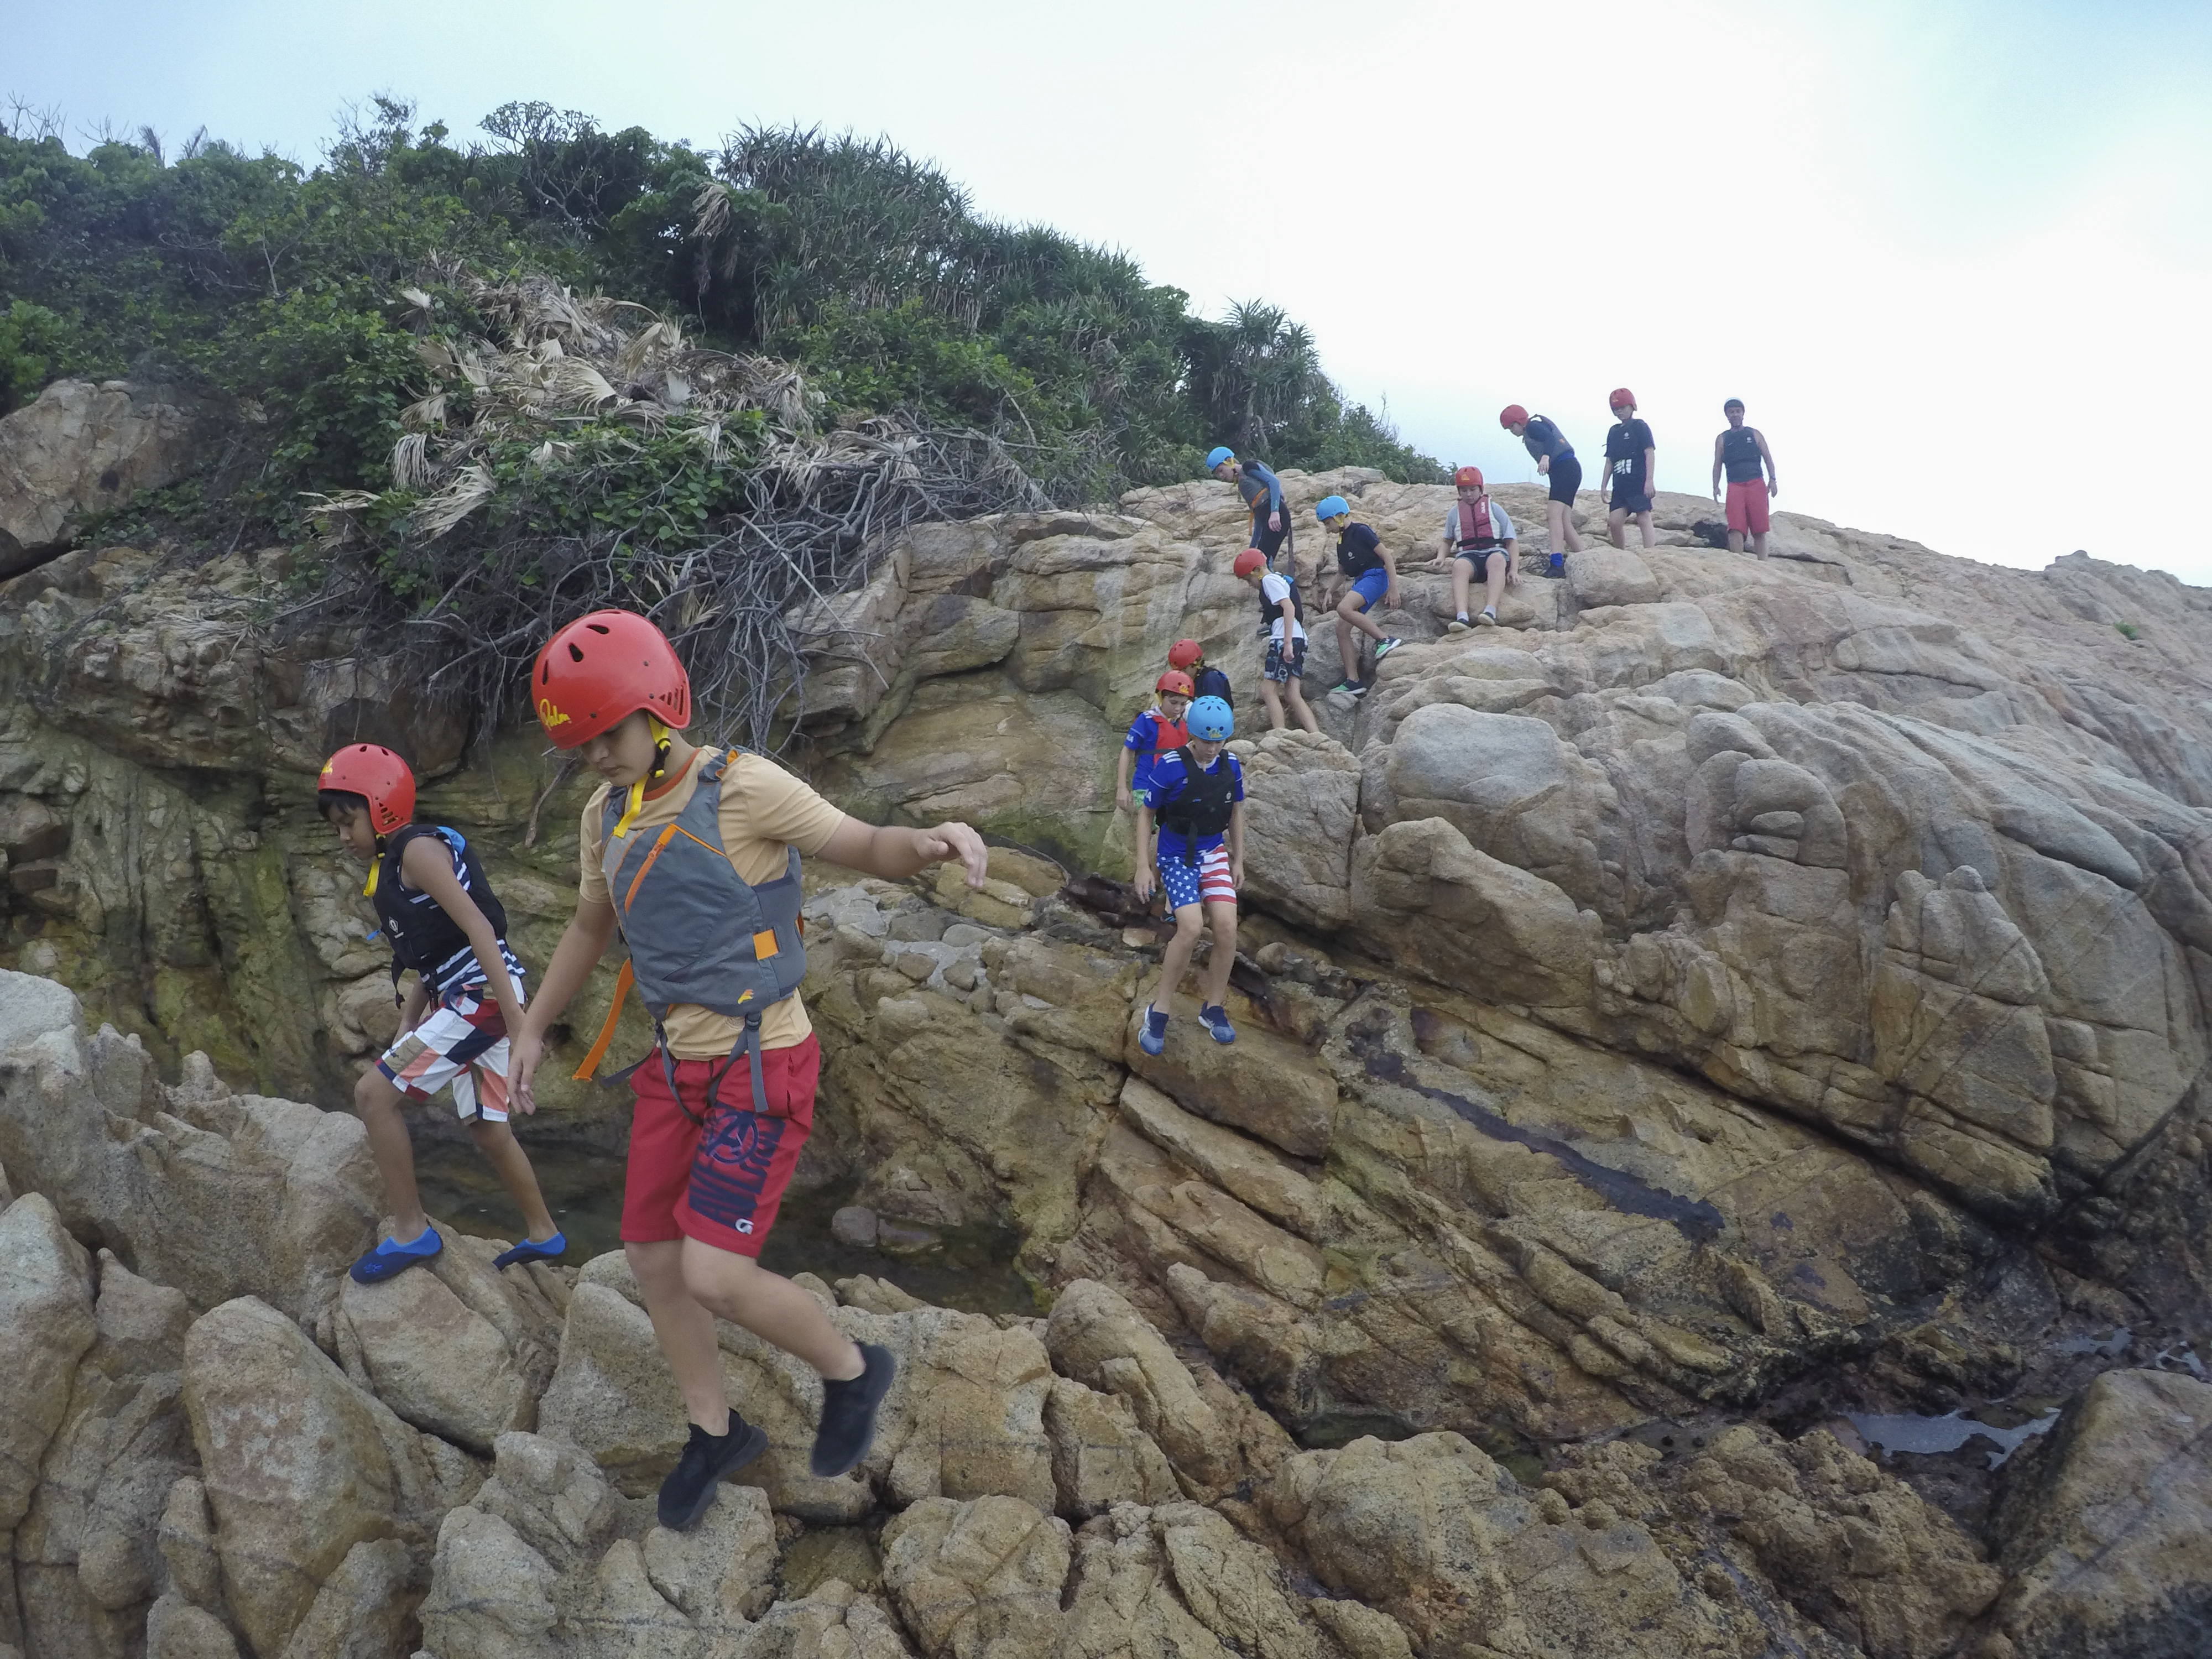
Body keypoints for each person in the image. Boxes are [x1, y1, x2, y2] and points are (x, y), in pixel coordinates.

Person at [508, 609, 989, 1531]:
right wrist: (532, 1029)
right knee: (652, 1256)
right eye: (580, 745)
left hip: (762, 1063)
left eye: (607, 735)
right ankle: (713, 1428)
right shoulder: (604, 815)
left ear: (657, 708)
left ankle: (853, 1370)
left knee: (718, 1275)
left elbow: (859, 843)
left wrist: (929, 841)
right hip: (674, 1070)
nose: (597, 756)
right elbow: (587, 927)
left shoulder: (744, 788)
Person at [318, 744, 566, 1284]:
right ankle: (544, 1233)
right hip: (470, 996)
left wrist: (522, 1026)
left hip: (483, 999)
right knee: (486, 1126)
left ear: (381, 806)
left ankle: (412, 1230)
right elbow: (433, 962)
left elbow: (479, 931)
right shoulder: (392, 866)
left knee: (371, 1096)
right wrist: (409, 1024)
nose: (343, 836)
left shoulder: (417, 852)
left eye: (348, 821)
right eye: (335, 826)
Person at [1131, 695, 1245, 1055]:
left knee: (1227, 927)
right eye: (1206, 740)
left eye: (1219, 740)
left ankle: (1213, 1007)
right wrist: (1142, 866)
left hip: (1212, 853)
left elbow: (1236, 813)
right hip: (1176, 856)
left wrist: (1238, 860)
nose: (1212, 748)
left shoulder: (1231, 765)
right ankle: (1159, 1009)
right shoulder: (1169, 766)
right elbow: (1146, 814)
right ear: (1192, 735)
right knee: (1192, 927)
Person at [1316, 493, 1403, 698]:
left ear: (1338, 517)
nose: (1327, 528)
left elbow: (1387, 557)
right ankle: (1353, 681)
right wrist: (1330, 591)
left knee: (1344, 609)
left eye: (1328, 523)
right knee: (1341, 628)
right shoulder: (1341, 541)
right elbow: (1342, 571)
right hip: (1361, 581)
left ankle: (1384, 640)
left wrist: (1393, 587)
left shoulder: (1361, 531)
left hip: (1375, 577)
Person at [1233, 547, 1318, 733]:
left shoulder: (1269, 581)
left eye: (1249, 579)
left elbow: (1288, 607)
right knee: (1292, 694)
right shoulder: (1277, 579)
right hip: (1298, 636)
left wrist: (1286, 643)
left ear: (1257, 570)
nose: (1251, 584)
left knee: (1268, 690)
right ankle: (1316, 736)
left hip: (1285, 638)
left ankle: (1279, 735)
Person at [1428, 465, 1520, 630]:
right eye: (1464, 491)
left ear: (1481, 489)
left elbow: (1511, 541)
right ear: (1459, 491)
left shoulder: (1494, 508)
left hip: (1493, 552)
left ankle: (1490, 611)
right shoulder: (1454, 513)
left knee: (1497, 559)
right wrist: (1441, 557)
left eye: (1473, 489)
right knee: (1459, 565)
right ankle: (1462, 617)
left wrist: (1514, 569)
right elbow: (1447, 540)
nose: (1469, 495)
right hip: (1470, 556)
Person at [1498, 404, 1587, 560]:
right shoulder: (1532, 429)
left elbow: (1550, 439)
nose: (1512, 431)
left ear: (1520, 421)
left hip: (1564, 468)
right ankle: (1585, 557)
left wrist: (1545, 457)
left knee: (1553, 514)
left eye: (1513, 426)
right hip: (1569, 469)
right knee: (1564, 521)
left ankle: (1556, 561)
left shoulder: (1532, 426)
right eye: (1509, 429)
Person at [1116, 669, 1194, 811]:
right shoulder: (1146, 720)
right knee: (1151, 825)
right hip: (1145, 786)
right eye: (1173, 702)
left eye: (1183, 704)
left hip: (1173, 788)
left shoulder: (1183, 725)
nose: (1178, 709)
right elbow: (1127, 751)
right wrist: (1121, 787)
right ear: (1160, 697)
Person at [1709, 398, 1778, 559]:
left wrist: (1773, 479)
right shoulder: (1722, 438)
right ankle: (1738, 562)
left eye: (1738, 411)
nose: (1735, 415)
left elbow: (1768, 458)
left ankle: (1763, 564)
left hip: (1756, 482)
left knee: (1760, 527)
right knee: (1735, 526)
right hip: (1735, 485)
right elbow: (1717, 464)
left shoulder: (1754, 434)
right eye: (1731, 412)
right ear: (1727, 415)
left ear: (1743, 413)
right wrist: (1715, 486)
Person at [1204, 446, 1291, 570]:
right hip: (1269, 518)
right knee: (1260, 561)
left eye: (1221, 470)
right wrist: (1252, 547)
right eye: (1218, 474)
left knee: (1260, 563)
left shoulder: (1249, 467)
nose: (1221, 476)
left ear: (1229, 461)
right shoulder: (1243, 484)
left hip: (1278, 516)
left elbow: (1274, 482)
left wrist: (1275, 512)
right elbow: (1258, 517)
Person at [1601, 388, 1657, 550]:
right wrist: (1604, 485)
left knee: (1643, 515)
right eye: (1616, 409)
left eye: (1623, 408)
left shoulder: (1639, 426)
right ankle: (1621, 553)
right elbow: (1610, 461)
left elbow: (1649, 452)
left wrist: (1649, 480)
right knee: (1614, 521)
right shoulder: (1613, 432)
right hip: (1620, 485)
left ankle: (1650, 552)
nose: (1620, 412)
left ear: (1632, 406)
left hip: (1637, 481)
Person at [1167, 638, 1234, 708]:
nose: (1180, 675)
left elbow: (1215, 711)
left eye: (1183, 670)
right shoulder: (1188, 681)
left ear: (1195, 665)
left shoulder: (1211, 679)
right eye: (1177, 671)